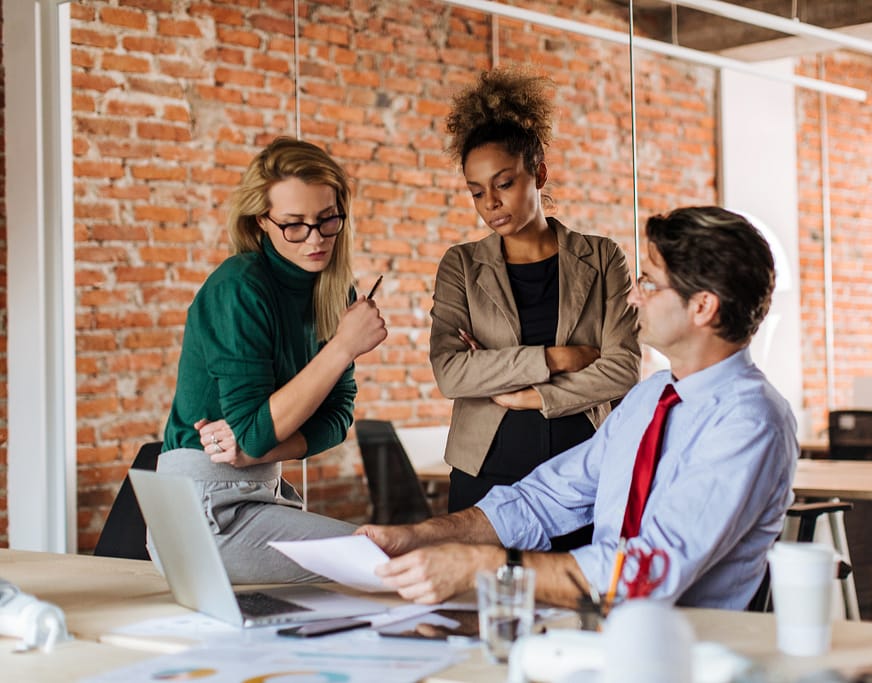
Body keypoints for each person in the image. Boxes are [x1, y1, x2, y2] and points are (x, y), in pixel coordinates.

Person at [359, 207, 798, 609]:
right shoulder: (651, 398)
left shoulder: (748, 420)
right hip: (607, 636)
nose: (632, 298)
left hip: (687, 654)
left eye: (648, 283)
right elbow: (544, 499)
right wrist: (419, 536)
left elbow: (647, 574)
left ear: (702, 306)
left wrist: (480, 566)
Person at [158, 137, 387, 584]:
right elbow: (255, 431)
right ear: (262, 220)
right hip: (201, 508)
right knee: (381, 565)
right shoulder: (239, 287)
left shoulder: (336, 291)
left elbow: (337, 419)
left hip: (260, 490)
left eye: (327, 220)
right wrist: (344, 346)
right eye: (294, 225)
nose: (316, 239)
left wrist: (258, 450)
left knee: (387, 564)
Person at [431, 67, 641, 550]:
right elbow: (451, 374)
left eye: (503, 183)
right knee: (483, 605)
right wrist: (554, 358)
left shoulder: (603, 256)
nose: (490, 203)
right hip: (486, 467)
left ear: (539, 173)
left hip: (584, 464)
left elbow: (623, 368)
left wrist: (530, 394)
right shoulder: (461, 265)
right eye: (477, 191)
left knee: (582, 602)